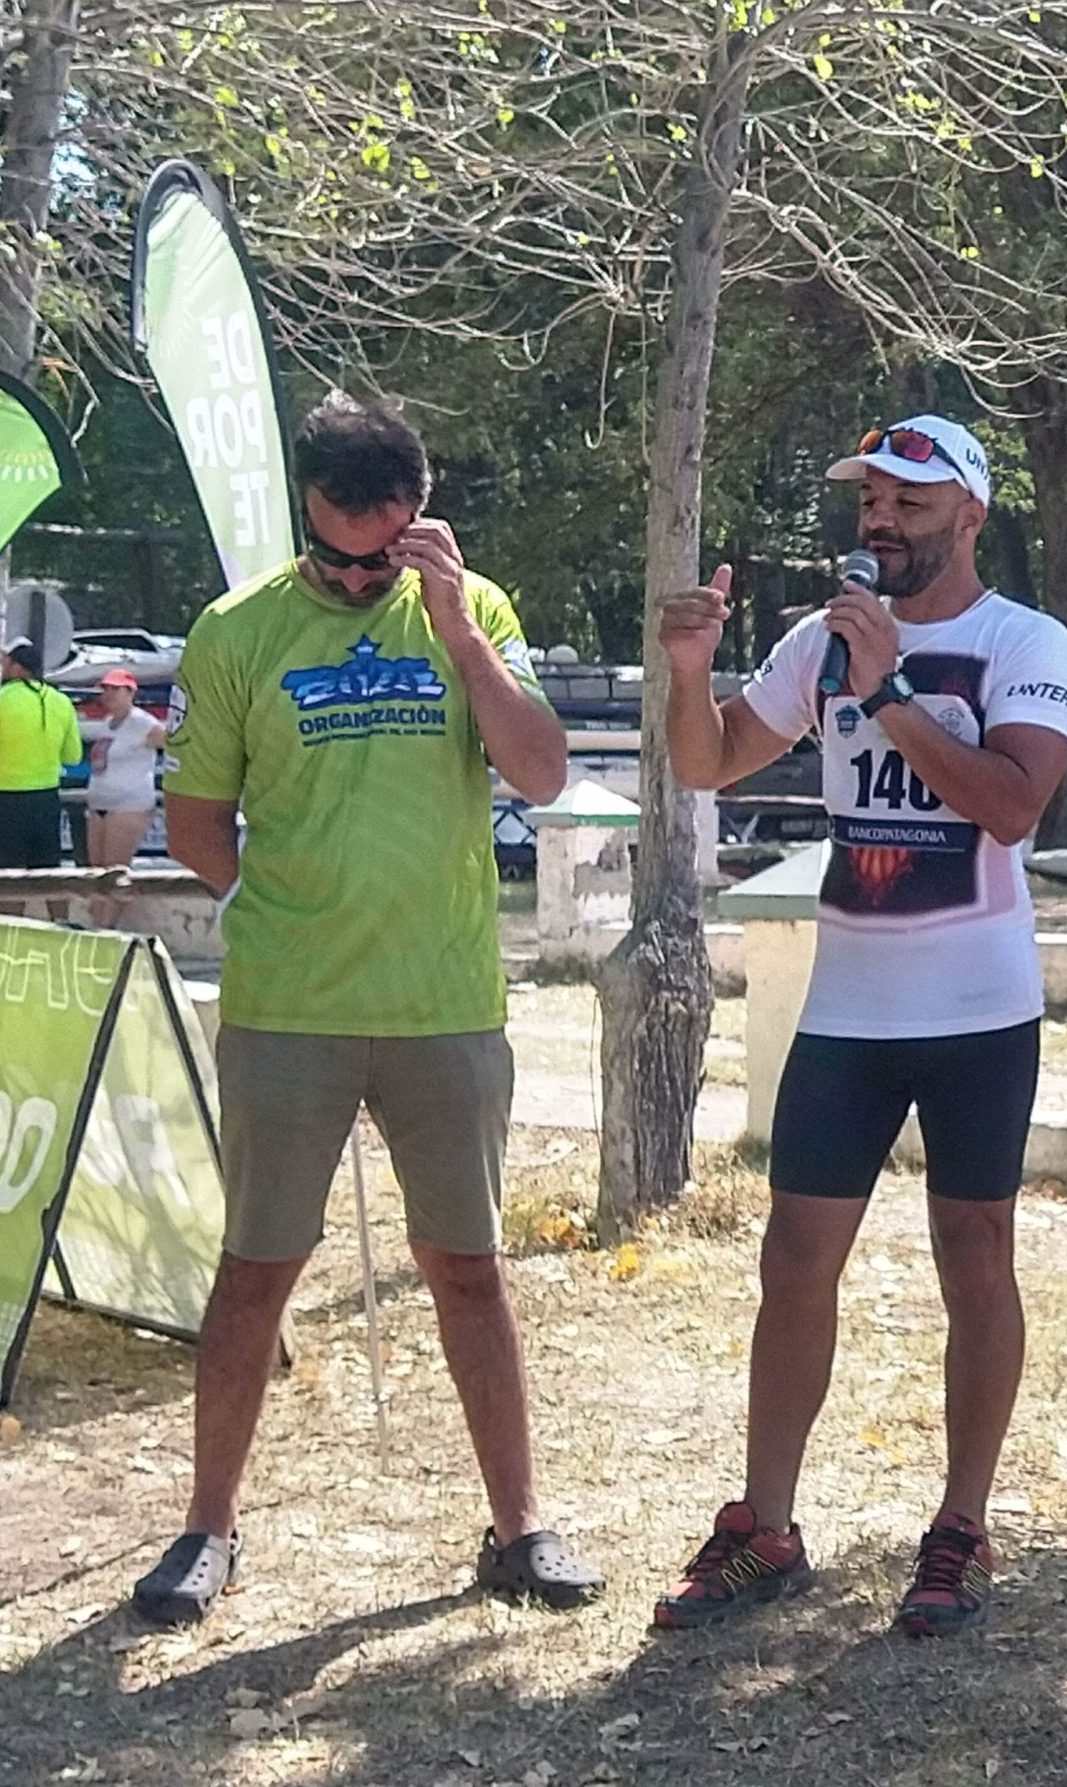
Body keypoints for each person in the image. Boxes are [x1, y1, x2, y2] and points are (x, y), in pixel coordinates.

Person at [131, 393, 600, 1625]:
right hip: (288, 1007)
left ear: (418, 519)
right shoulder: (238, 629)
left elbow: (544, 771)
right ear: (308, 516)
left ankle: (520, 1526)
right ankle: (207, 1527)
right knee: (254, 1273)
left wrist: (449, 621)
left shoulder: (473, 607)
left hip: (445, 1005)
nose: (353, 575)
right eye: (335, 552)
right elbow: (192, 820)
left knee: (470, 1269)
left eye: (377, 553)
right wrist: (287, 902)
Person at [653, 414, 1067, 1639]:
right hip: (850, 1005)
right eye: (870, 500)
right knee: (793, 1259)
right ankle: (768, 1525)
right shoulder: (820, 636)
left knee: (975, 1259)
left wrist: (891, 689)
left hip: (978, 1009)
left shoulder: (1023, 640)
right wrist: (692, 669)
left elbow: (1008, 804)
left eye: (907, 499)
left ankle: (958, 1526)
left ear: (969, 515)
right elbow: (712, 762)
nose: (879, 519)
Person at [82, 667, 166, 925]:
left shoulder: (143, 722)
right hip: (100, 804)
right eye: (105, 689)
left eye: (115, 689)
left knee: (115, 871)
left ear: (130, 692)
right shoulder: (108, 724)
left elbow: (176, 745)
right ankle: (98, 925)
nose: (109, 694)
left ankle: (108, 928)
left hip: (128, 805)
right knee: (97, 872)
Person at [0, 634, 80, 872]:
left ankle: (10, 912)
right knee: (49, 872)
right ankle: (57, 912)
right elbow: (72, 757)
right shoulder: (62, 701)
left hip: (6, 798)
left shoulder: (2, 699)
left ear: (16, 666)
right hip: (46, 797)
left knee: (8, 876)